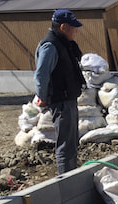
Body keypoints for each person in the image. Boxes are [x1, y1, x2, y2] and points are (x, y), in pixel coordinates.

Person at [34, 9, 86, 174]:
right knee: (65, 145)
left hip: (68, 99)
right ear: (63, 27)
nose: (76, 31)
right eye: (73, 27)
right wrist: (42, 97)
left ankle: (71, 174)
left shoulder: (63, 43)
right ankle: (66, 180)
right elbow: (41, 75)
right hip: (61, 102)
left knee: (71, 143)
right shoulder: (50, 46)